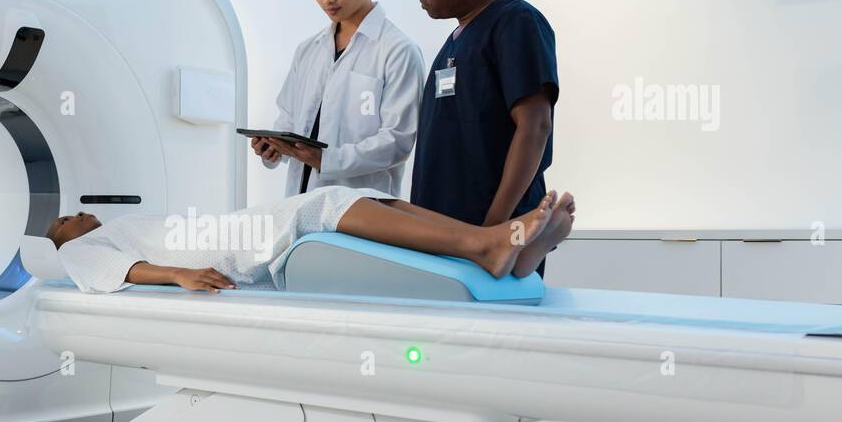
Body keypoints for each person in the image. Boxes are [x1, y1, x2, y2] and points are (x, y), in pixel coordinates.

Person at [403, 0, 561, 422]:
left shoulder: (515, 23)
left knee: (501, 376)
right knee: (463, 378)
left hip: (497, 240)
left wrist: (497, 226)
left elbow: (535, 123)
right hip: (453, 242)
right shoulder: (453, 43)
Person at [45, 185, 573, 295]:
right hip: (213, 246)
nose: (78, 215)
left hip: (219, 229)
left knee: (348, 193)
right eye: (67, 218)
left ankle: (490, 242)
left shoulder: (110, 228)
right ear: (59, 240)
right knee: (318, 205)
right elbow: (115, 273)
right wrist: (177, 274)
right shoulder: (75, 251)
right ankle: (487, 245)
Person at [250, 0, 424, 197]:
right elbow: (289, 118)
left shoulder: (398, 50)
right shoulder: (308, 51)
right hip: (301, 205)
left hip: (363, 210)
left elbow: (397, 141)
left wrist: (325, 159)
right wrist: (273, 146)